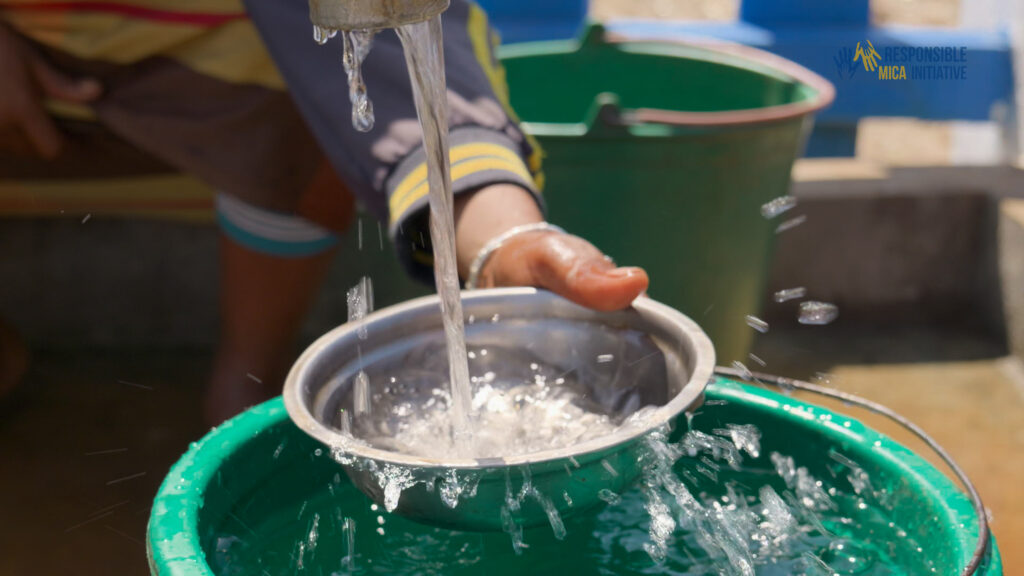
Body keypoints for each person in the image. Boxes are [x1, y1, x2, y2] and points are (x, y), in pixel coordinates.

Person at [0, 0, 649, 424]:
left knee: (334, 87)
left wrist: (502, 239)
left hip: (208, 85)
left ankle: (243, 384)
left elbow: (407, 61)